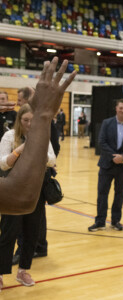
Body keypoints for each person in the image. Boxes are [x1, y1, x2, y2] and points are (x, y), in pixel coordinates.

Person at [0, 57, 76, 215]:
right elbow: (19, 197)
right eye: (25, 120)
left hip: (36, 186)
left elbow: (52, 156)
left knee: (36, 235)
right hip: (19, 186)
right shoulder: (10, 135)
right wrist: (43, 114)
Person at [0, 104, 56, 290]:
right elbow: (3, 164)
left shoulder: (42, 137)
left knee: (31, 233)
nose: (30, 124)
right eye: (26, 120)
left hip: (35, 192)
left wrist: (36, 147)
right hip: (13, 193)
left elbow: (52, 160)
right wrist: (21, 148)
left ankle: (23, 270)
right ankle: (0, 273)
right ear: (19, 121)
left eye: (33, 120)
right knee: (9, 233)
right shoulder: (9, 136)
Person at [12, 86, 61, 265]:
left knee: (34, 216)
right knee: (33, 216)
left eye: (20, 101)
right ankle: (37, 247)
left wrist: (43, 163)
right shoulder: (18, 126)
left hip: (39, 176)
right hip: (23, 177)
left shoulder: (45, 121)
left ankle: (35, 247)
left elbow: (54, 148)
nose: (18, 104)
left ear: (28, 101)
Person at [88, 99, 123, 232]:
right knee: (102, 194)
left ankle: (116, 221)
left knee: (119, 194)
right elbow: (101, 142)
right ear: (116, 109)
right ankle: (100, 222)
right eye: (121, 108)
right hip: (107, 165)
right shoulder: (107, 123)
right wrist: (114, 157)